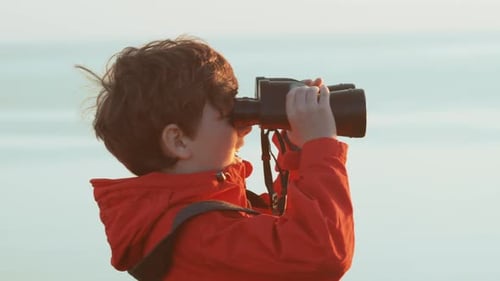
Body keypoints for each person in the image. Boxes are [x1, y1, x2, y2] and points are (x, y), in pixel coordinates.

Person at [83, 35, 354, 281]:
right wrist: (320, 147)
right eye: (228, 112)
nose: (243, 124)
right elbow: (320, 255)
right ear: (179, 141)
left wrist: (297, 152)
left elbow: (284, 238)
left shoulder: (194, 219)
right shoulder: (201, 236)